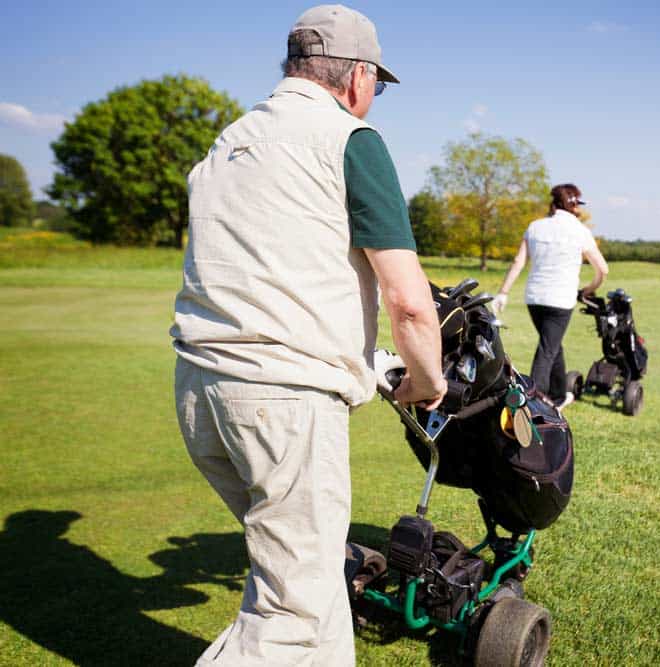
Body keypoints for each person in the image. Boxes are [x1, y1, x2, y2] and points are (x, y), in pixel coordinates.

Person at [170, 5, 446, 665]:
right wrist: (428, 382)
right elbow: (409, 301)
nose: (373, 99)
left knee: (317, 581)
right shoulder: (350, 139)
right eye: (377, 85)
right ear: (357, 77)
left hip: (199, 392)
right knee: (289, 613)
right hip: (283, 402)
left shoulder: (233, 137)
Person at [494, 184, 609, 407]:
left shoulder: (535, 227)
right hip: (561, 300)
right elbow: (602, 269)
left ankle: (558, 394)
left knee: (552, 343)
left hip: (534, 299)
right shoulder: (580, 231)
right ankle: (531, 403)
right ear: (575, 205)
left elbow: (519, 262)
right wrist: (589, 289)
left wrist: (503, 292)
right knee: (547, 349)